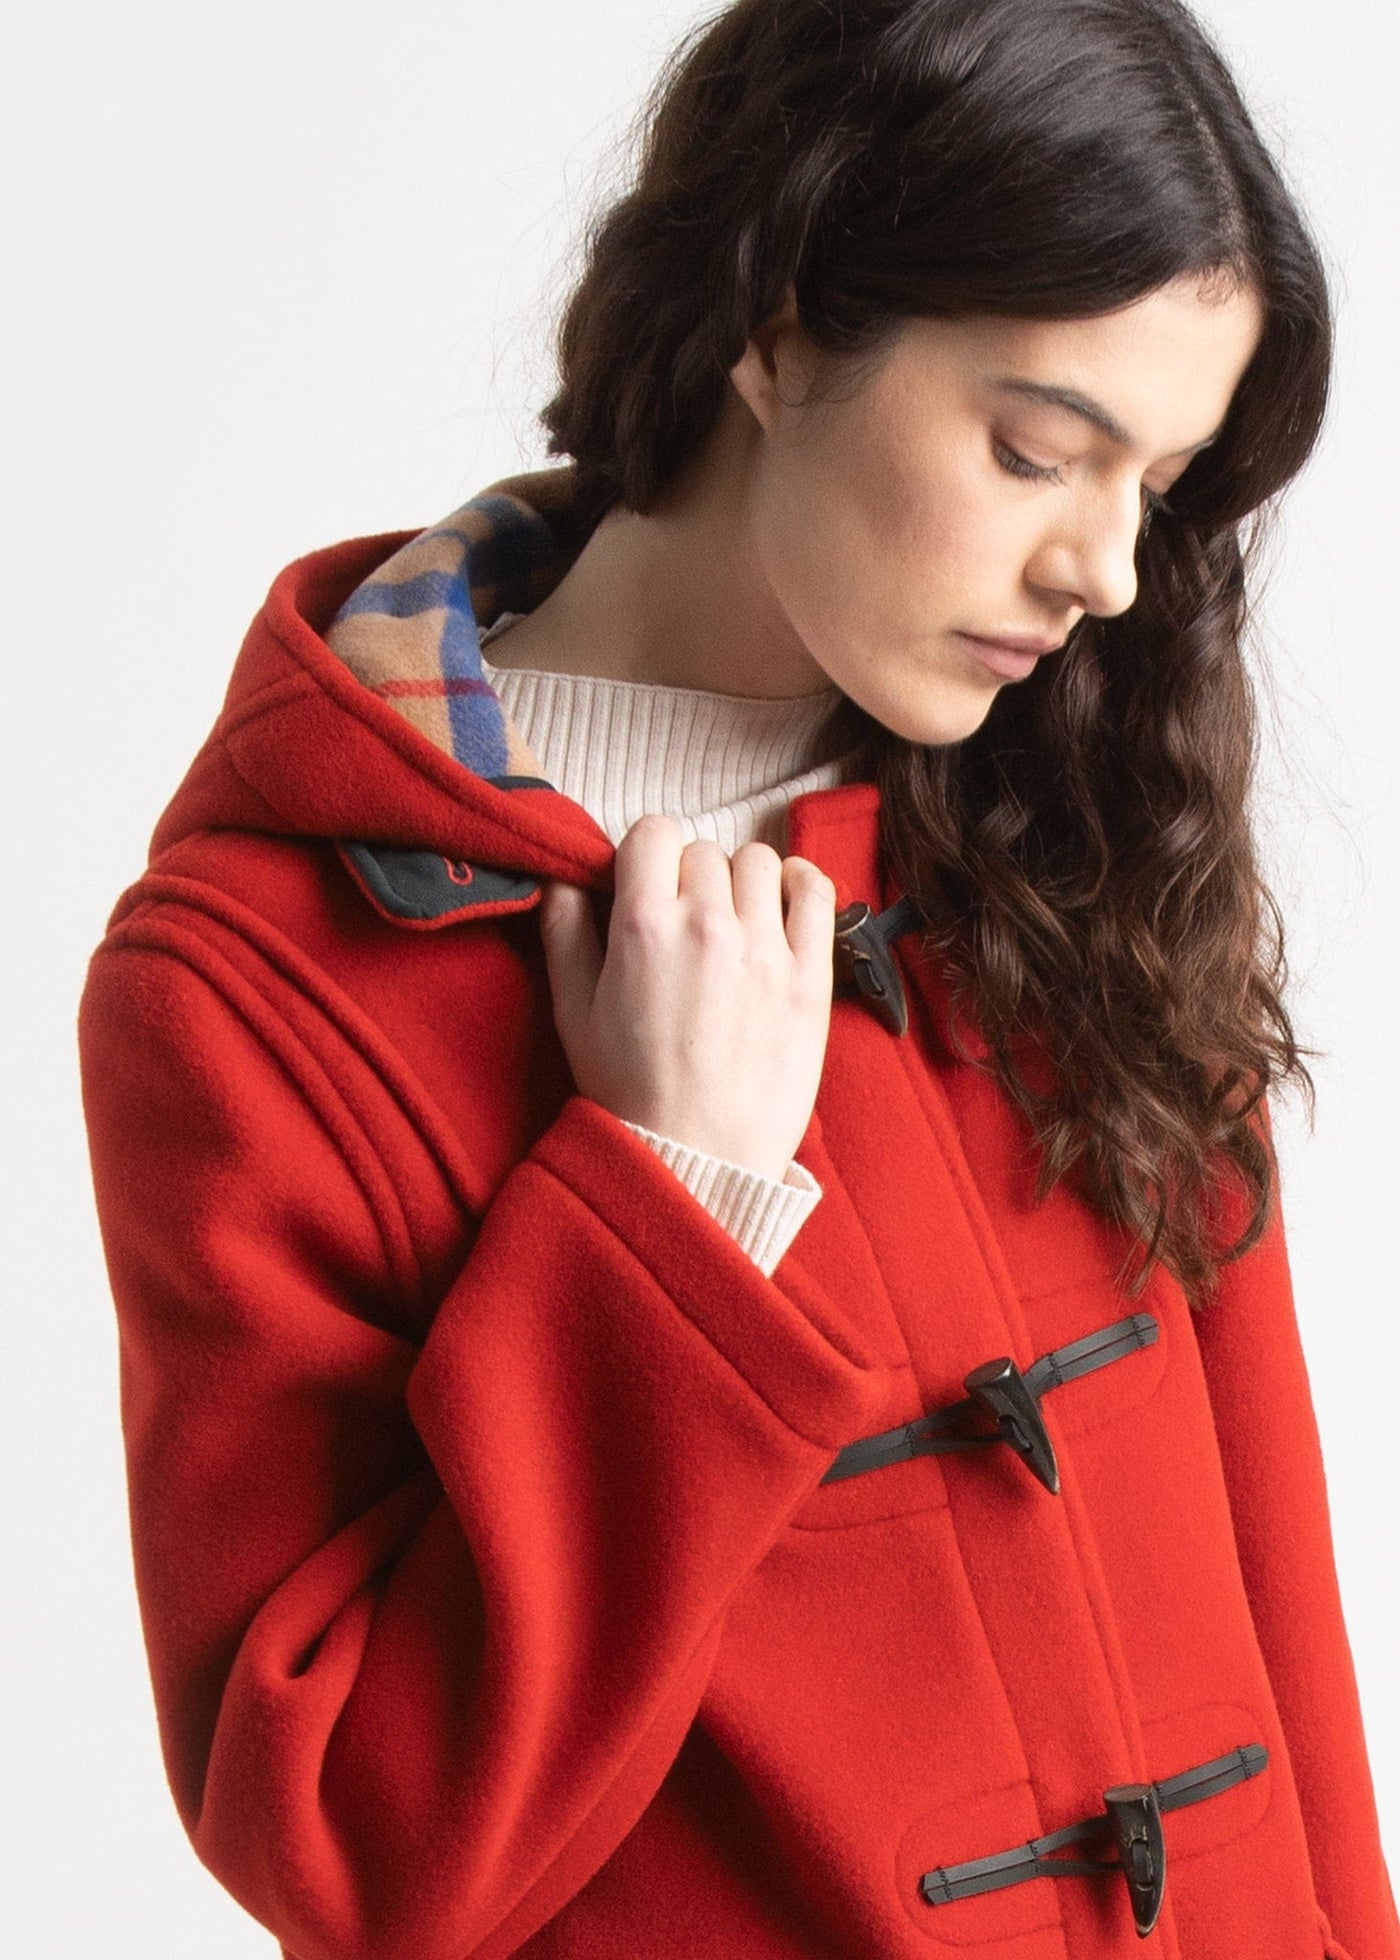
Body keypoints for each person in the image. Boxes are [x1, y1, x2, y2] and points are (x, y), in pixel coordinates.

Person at [77, 0, 1396, 1954]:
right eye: (1038, 450)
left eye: (1160, 480)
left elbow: (1282, 1626)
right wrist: (667, 1198)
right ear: (775, 329)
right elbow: (357, 1852)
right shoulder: (263, 984)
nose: (1106, 571)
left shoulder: (1079, 817)